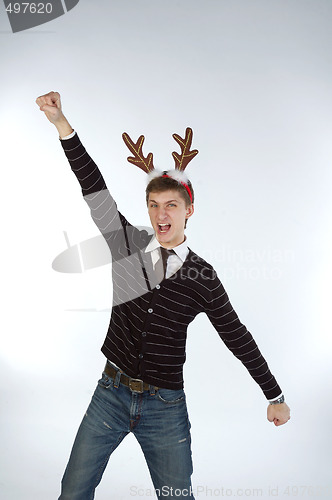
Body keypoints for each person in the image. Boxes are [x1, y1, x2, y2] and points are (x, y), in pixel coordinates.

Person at [36, 91, 291, 500]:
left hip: (165, 408)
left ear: (189, 209)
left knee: (177, 496)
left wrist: (274, 394)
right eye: (154, 205)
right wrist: (61, 125)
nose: (161, 216)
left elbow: (235, 334)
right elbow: (93, 188)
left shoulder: (201, 276)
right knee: (73, 490)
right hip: (110, 395)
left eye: (171, 205)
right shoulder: (127, 243)